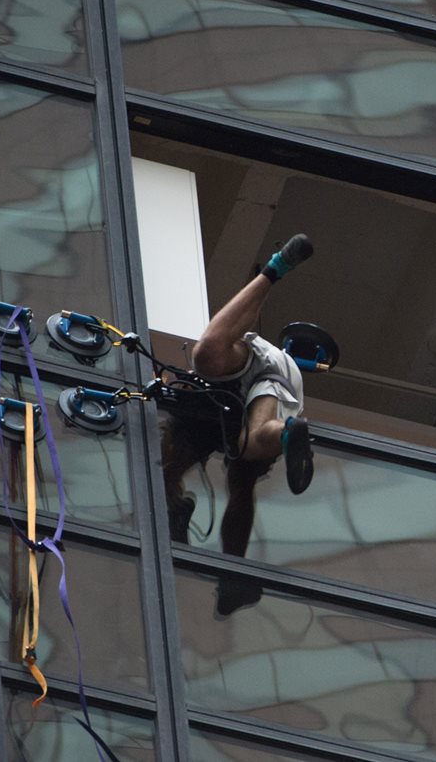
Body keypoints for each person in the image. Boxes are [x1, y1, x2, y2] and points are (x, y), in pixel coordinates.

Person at [163, 233, 317, 616]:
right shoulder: (182, 440)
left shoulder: (265, 360)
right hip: (225, 405)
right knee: (221, 460)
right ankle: (284, 434)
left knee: (208, 355)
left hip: (258, 376)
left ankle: (276, 267)